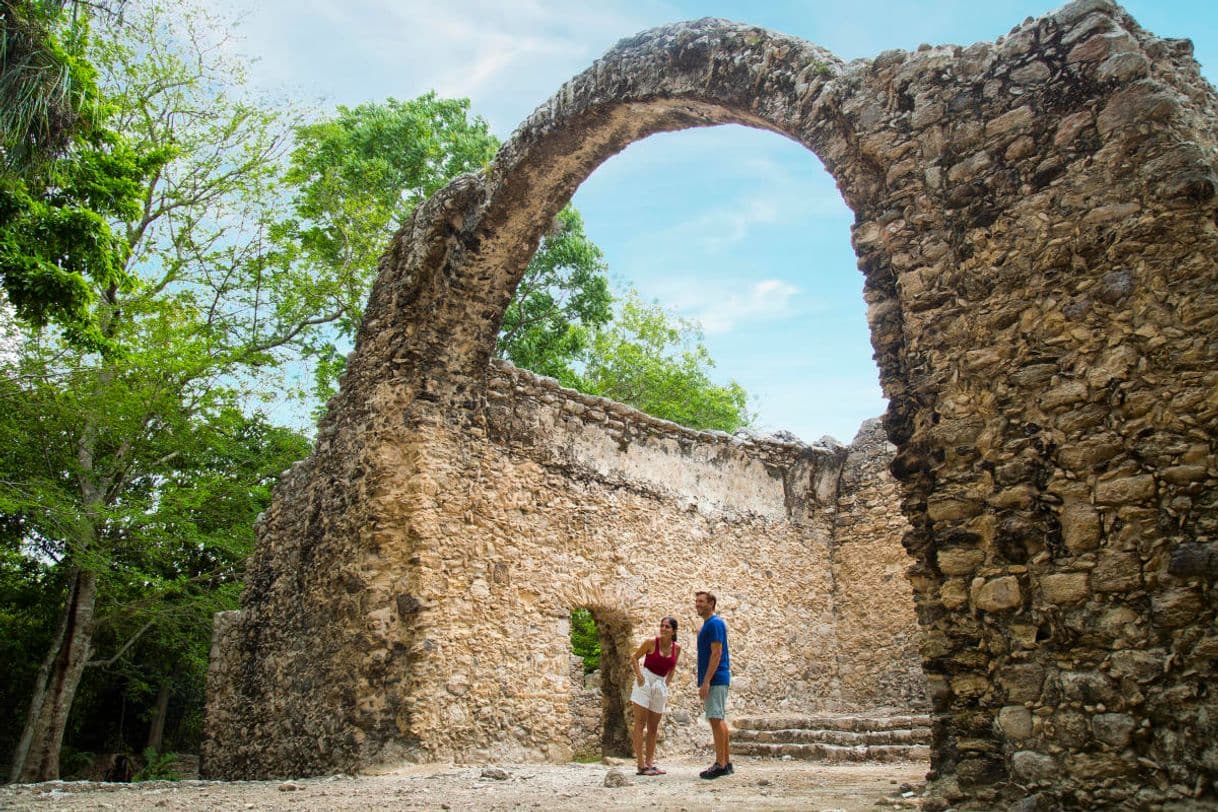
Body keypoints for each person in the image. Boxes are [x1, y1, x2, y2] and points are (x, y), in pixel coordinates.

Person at [629, 616, 680, 776]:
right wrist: (639, 676)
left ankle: (650, 763)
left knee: (653, 726)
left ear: (674, 631)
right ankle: (640, 764)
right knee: (640, 722)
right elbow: (634, 658)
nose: (663, 629)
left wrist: (666, 683)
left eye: (667, 627)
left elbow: (673, 668)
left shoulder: (676, 648)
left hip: (660, 683)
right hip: (646, 679)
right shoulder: (651, 642)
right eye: (662, 626)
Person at [695, 590, 732, 779]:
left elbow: (716, 653)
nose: (697, 604)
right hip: (717, 677)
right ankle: (726, 762)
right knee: (719, 718)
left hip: (716, 678)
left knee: (715, 719)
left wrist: (706, 681)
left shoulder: (714, 624)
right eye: (696, 601)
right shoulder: (709, 624)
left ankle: (720, 764)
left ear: (711, 603)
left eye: (701, 601)